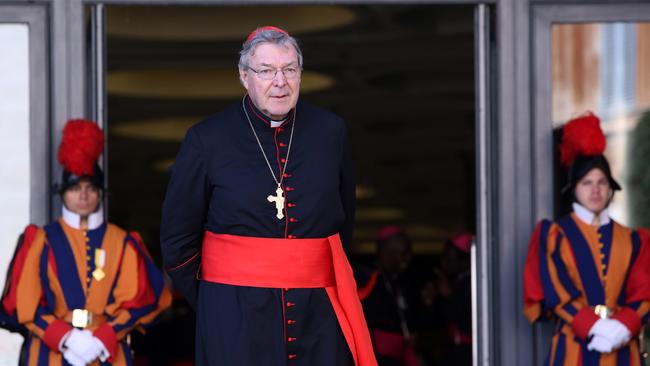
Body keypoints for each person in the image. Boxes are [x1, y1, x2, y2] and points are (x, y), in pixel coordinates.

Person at [160, 26, 377, 366]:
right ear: (244, 76)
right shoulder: (207, 139)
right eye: (266, 71)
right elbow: (177, 240)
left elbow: (343, 221)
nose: (280, 81)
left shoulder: (330, 132)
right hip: (234, 313)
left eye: (290, 69)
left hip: (317, 312)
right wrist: (218, 300)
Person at [0, 119, 171, 366]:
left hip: (105, 350)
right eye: (74, 188)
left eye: (90, 188)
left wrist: (104, 336)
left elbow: (140, 300)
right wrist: (65, 337)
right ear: (62, 193)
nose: (83, 195)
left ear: (100, 192)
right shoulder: (41, 240)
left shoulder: (123, 242)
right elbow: (26, 304)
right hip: (50, 352)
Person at [523, 112, 650, 365]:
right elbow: (556, 293)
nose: (595, 189)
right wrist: (595, 327)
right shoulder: (554, 235)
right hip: (573, 347)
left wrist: (623, 327)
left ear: (611, 188)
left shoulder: (634, 239)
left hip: (623, 347)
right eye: (587, 182)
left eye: (602, 182)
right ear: (574, 189)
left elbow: (644, 292)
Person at [356, 226, 419, 366]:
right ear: (386, 251)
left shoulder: (401, 280)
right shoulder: (366, 278)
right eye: (403, 253)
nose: (409, 258)